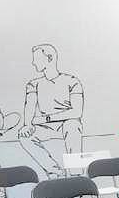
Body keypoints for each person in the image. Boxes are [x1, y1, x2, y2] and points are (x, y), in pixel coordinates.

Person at [19, 44, 84, 178]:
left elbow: (76, 112)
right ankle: (55, 172)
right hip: (45, 127)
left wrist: (46, 118)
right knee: (25, 136)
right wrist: (27, 124)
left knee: (73, 125)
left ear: (49, 58)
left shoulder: (72, 81)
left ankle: (76, 173)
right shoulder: (33, 84)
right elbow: (30, 106)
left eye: (37, 58)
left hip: (65, 124)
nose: (33, 62)